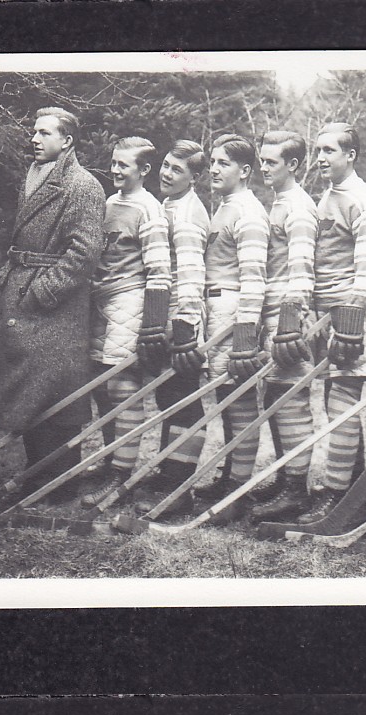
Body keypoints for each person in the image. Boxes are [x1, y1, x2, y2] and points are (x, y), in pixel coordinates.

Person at [0, 107, 105, 498]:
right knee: (29, 390)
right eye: (33, 132)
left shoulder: (82, 185)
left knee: (55, 391)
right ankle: (37, 474)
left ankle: (58, 482)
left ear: (67, 141)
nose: (34, 140)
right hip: (22, 291)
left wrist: (43, 292)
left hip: (54, 307)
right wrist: (10, 276)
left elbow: (84, 254)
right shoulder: (34, 175)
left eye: (44, 133)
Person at [295, 122, 366, 525]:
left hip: (351, 314)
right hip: (328, 312)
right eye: (318, 150)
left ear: (351, 155)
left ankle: (335, 496)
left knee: (342, 403)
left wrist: (349, 322)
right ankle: (352, 487)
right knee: (337, 402)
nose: (321, 158)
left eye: (329, 150)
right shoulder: (328, 196)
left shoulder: (362, 200)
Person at [185, 133, 270, 522]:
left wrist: (245, 336)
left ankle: (237, 489)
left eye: (224, 163)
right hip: (215, 306)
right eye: (213, 162)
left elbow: (255, 277)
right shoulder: (224, 207)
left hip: (234, 309)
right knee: (224, 401)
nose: (214, 169)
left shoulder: (248, 211)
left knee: (239, 402)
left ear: (246, 170)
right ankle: (228, 477)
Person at [82, 136, 171, 501]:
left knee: (123, 389)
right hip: (100, 301)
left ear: (144, 170)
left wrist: (152, 324)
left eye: (124, 165)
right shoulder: (108, 202)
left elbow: (160, 269)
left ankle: (121, 475)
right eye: (114, 163)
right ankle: (109, 458)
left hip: (129, 302)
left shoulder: (149, 209)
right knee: (103, 388)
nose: (115, 169)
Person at [249, 129, 320, 523]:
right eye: (261, 160)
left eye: (271, 161)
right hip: (273, 310)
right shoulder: (278, 203)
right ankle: (286, 477)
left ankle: (297, 489)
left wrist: (289, 322)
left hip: (289, 313)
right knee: (276, 395)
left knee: (291, 397)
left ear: (292, 165)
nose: (264, 167)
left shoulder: (299, 206)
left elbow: (302, 266)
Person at [148, 139, 212, 518]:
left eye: (177, 169)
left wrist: (185, 326)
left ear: (194, 178)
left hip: (182, 318)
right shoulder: (168, 205)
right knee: (169, 400)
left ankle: (179, 485)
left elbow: (190, 274)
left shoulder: (188, 213)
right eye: (166, 165)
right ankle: (166, 475)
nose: (166, 173)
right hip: (166, 316)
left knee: (184, 401)